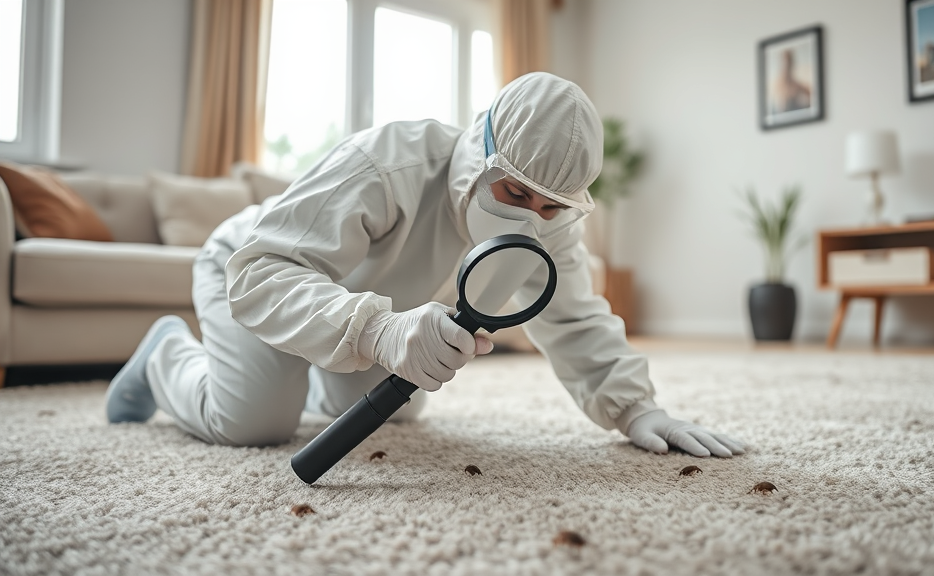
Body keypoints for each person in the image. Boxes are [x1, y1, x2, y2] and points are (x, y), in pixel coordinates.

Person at [105, 72, 745, 458]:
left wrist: (637, 410)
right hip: (260, 265)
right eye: (513, 192)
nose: (529, 217)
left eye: (549, 205)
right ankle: (165, 353)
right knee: (252, 423)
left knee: (400, 406)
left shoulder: (551, 227)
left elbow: (576, 319)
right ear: (481, 150)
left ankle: (325, 367)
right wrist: (379, 333)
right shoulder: (389, 162)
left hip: (357, 306)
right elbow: (262, 269)